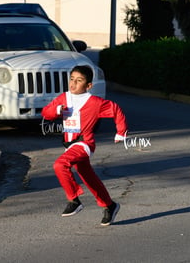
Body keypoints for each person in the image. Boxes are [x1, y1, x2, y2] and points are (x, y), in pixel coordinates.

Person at [41, 65, 128, 226]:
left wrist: (120, 132)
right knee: (89, 178)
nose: (73, 84)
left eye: (79, 80)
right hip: (69, 145)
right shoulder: (64, 97)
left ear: (88, 86)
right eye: (72, 79)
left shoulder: (94, 102)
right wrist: (57, 110)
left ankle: (74, 200)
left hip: (84, 143)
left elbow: (115, 109)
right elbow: (45, 112)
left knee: (60, 164)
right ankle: (110, 205)